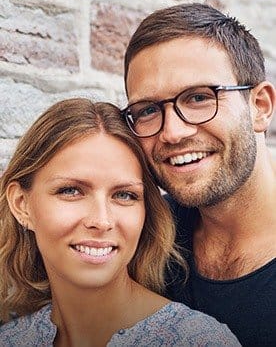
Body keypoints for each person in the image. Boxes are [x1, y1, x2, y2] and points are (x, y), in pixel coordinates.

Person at [0, 98, 240, 346]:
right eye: (71, 191)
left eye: (124, 195)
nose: (102, 221)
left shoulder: (199, 340)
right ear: (21, 204)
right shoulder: (11, 339)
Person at [122, 2, 276, 347]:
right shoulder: (140, 236)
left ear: (260, 106)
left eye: (198, 97)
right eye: (147, 110)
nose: (173, 133)